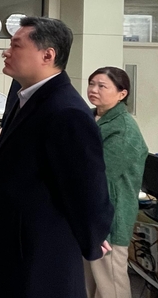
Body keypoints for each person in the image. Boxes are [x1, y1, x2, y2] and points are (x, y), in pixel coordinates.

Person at [0, 17, 113, 298]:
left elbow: (86, 188)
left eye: (16, 46)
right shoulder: (25, 96)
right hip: (9, 244)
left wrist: (92, 236)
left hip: (38, 256)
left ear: (48, 55)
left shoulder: (66, 111)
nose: (6, 52)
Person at [84, 67, 148, 298]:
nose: (94, 89)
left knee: (110, 282)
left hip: (111, 216)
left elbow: (99, 174)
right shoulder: (91, 116)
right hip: (87, 213)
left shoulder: (124, 129)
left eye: (102, 86)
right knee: (87, 282)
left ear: (122, 94)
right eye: (92, 83)